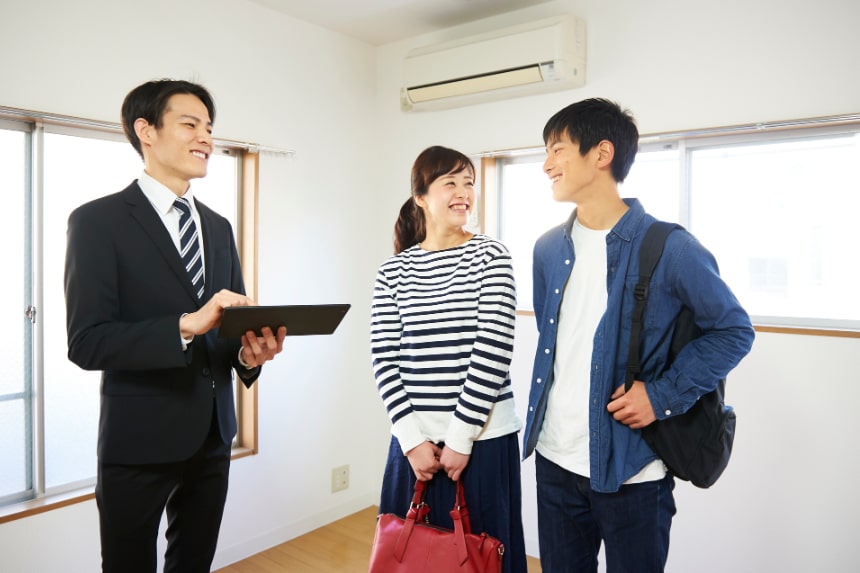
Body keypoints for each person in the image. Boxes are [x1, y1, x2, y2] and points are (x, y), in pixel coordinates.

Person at [521, 98, 755, 573]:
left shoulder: (669, 245)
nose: (547, 164)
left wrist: (661, 395)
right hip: (554, 462)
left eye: (558, 149)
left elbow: (733, 330)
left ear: (601, 153)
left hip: (634, 471)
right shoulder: (547, 249)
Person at [64, 79, 287, 573]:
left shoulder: (218, 226)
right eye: (190, 124)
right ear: (146, 130)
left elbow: (226, 337)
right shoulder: (97, 222)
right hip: (137, 442)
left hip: (212, 436)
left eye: (209, 127)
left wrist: (249, 356)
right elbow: (86, 342)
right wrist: (185, 325)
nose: (205, 137)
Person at [370, 145, 527, 573]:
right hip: (413, 448)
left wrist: (459, 439)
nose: (464, 192)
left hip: (482, 442)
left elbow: (493, 350)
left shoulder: (491, 256)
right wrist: (412, 440)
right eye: (450, 182)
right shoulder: (393, 272)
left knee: (483, 558)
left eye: (469, 182)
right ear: (421, 195)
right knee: (410, 558)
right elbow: (384, 357)